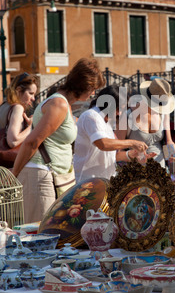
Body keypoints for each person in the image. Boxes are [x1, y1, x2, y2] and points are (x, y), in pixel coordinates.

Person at [12, 58, 105, 223]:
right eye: (93, 89)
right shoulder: (59, 104)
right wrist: (14, 176)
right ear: (84, 85)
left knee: (50, 238)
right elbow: (32, 142)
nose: (93, 94)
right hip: (41, 178)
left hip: (50, 178)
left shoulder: (63, 103)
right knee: (40, 237)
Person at [73, 85, 150, 182]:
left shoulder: (107, 121)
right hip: (88, 181)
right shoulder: (91, 116)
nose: (120, 113)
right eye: (118, 109)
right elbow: (103, 144)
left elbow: (113, 155)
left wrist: (131, 155)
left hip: (105, 179)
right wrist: (133, 143)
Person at [125, 77, 175, 167]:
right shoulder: (128, 115)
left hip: (159, 170)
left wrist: (172, 152)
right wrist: (136, 158)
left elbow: (168, 141)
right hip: (136, 172)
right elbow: (118, 152)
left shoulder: (163, 114)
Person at [0, 73, 38, 166]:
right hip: (10, 166)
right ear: (18, 90)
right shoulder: (17, 108)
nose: (33, 98)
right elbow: (13, 141)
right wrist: (32, 126)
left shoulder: (4, 105)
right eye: (31, 93)